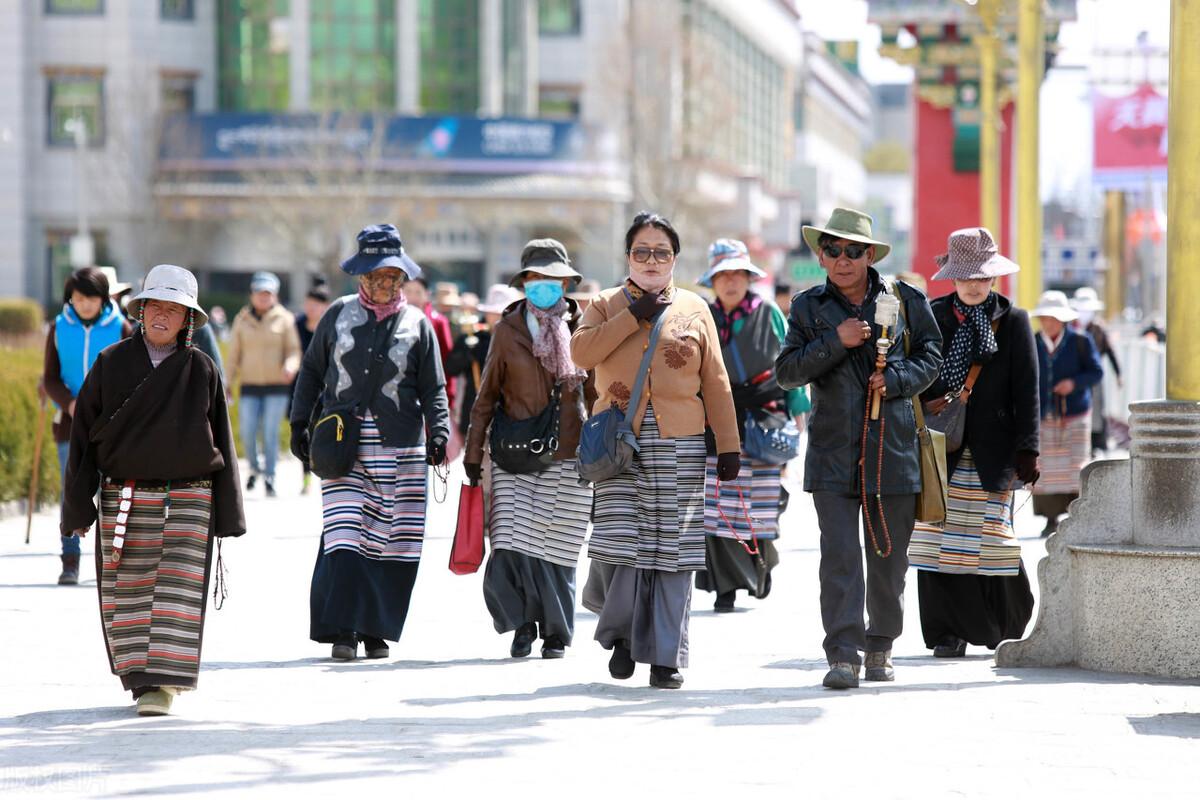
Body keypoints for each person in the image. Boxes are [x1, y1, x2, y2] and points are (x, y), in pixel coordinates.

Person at [60, 264, 245, 716]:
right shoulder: (111, 364)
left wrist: (229, 513)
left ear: (188, 320)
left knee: (175, 593)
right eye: (155, 307)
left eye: (173, 309)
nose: (162, 316)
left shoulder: (201, 368)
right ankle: (141, 680)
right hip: (124, 496)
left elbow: (222, 438)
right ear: (141, 311)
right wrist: (76, 510)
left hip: (189, 499)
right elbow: (83, 440)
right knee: (129, 592)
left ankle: (163, 683)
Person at [572, 211, 740, 690]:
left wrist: (728, 445)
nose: (651, 260)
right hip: (616, 444)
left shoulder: (695, 308)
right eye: (641, 251)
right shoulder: (604, 303)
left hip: (680, 443)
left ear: (675, 259)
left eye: (661, 252)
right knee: (621, 543)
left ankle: (665, 657)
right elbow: (580, 355)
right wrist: (632, 317)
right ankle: (624, 636)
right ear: (627, 256)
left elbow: (716, 381)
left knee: (674, 548)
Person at [775, 207, 942, 690]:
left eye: (853, 251)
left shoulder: (905, 299)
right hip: (832, 450)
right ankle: (842, 655)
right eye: (833, 250)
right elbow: (788, 372)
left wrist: (894, 380)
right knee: (840, 556)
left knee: (888, 558)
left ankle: (881, 644)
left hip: (892, 447)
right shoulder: (807, 308)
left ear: (870, 255)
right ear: (821, 256)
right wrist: (836, 341)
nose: (843, 259)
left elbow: (931, 357)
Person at [290, 224, 450, 661]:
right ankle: (343, 630)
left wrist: (440, 432)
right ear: (359, 276)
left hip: (401, 445)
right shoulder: (337, 315)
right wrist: (299, 424)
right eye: (375, 276)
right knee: (345, 534)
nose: (383, 284)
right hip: (342, 443)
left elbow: (434, 388)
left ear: (403, 279)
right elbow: (310, 373)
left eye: (392, 277)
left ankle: (374, 629)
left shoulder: (418, 324)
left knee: (392, 538)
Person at [907, 228, 1040, 658]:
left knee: (990, 539)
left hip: (993, 450)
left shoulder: (1014, 320)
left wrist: (1028, 449)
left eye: (982, 276)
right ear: (952, 276)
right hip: (941, 445)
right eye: (966, 276)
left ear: (994, 277)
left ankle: (1001, 624)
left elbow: (1028, 388)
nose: (974, 284)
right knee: (937, 539)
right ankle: (946, 632)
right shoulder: (933, 314)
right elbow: (917, 373)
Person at [464, 240, 595, 659]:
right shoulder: (507, 331)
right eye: (536, 278)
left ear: (565, 283)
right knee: (511, 545)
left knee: (558, 547)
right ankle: (522, 625)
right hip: (514, 454)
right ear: (524, 282)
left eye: (553, 279)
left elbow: (597, 393)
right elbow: (486, 395)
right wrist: (472, 454)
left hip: (570, 453)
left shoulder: (584, 328)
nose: (545, 286)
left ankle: (556, 632)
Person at [696, 239, 810, 612]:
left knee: (760, 504)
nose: (731, 282)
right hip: (717, 419)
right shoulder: (702, 317)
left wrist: (798, 413)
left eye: (737, 274)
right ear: (713, 281)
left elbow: (790, 367)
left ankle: (760, 569)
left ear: (748, 277)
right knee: (718, 504)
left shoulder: (768, 313)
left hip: (765, 418)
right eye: (723, 275)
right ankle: (725, 587)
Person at [42, 267, 134, 585]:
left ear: (103, 298)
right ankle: (70, 561)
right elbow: (50, 377)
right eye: (78, 298)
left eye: (91, 298)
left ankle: (110, 559)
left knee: (109, 494)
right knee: (72, 492)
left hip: (110, 427)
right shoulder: (57, 328)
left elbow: (131, 376)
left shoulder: (121, 327)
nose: (84, 304)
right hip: (68, 424)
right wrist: (69, 403)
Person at [1030, 290, 1104, 537]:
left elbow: (1096, 372)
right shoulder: (1032, 342)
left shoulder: (1080, 341)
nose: (1047, 322)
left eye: (1052, 318)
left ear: (1062, 319)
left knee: (1074, 467)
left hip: (1074, 414)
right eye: (1044, 318)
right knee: (1044, 467)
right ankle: (1050, 518)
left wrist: (1073, 383)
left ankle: (1075, 515)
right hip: (1042, 415)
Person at [228, 271, 301, 498]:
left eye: (268, 293)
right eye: (260, 293)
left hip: (276, 387)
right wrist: (227, 382)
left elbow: (294, 351)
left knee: (270, 433)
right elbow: (233, 355)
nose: (263, 297)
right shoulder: (241, 320)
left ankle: (270, 476)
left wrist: (290, 365)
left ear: (275, 295)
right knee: (248, 432)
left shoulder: (285, 319)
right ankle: (254, 467)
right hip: (250, 386)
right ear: (251, 294)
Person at [446, 284, 523, 441]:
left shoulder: (522, 339)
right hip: (477, 415)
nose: (497, 317)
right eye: (493, 312)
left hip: (513, 417)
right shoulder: (473, 338)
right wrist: (467, 351)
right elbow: (451, 368)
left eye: (502, 312)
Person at [1071, 287, 1121, 456]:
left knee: (1097, 409)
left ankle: (1097, 441)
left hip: (1094, 375)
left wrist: (1118, 374)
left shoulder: (1099, 329)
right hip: (1075, 375)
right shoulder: (1071, 327)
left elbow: (1110, 351)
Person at [293, 284, 333, 494]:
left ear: (325, 306)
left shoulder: (332, 326)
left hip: (327, 389)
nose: (310, 308)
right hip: (303, 386)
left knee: (322, 431)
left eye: (315, 304)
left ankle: (324, 472)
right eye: (307, 303)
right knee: (304, 433)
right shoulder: (297, 324)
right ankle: (306, 475)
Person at [405, 276, 457, 418]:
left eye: (418, 292)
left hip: (430, 393)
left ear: (427, 295)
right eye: (408, 291)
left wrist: (449, 399)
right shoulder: (395, 321)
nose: (413, 297)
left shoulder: (438, 322)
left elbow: (447, 361)